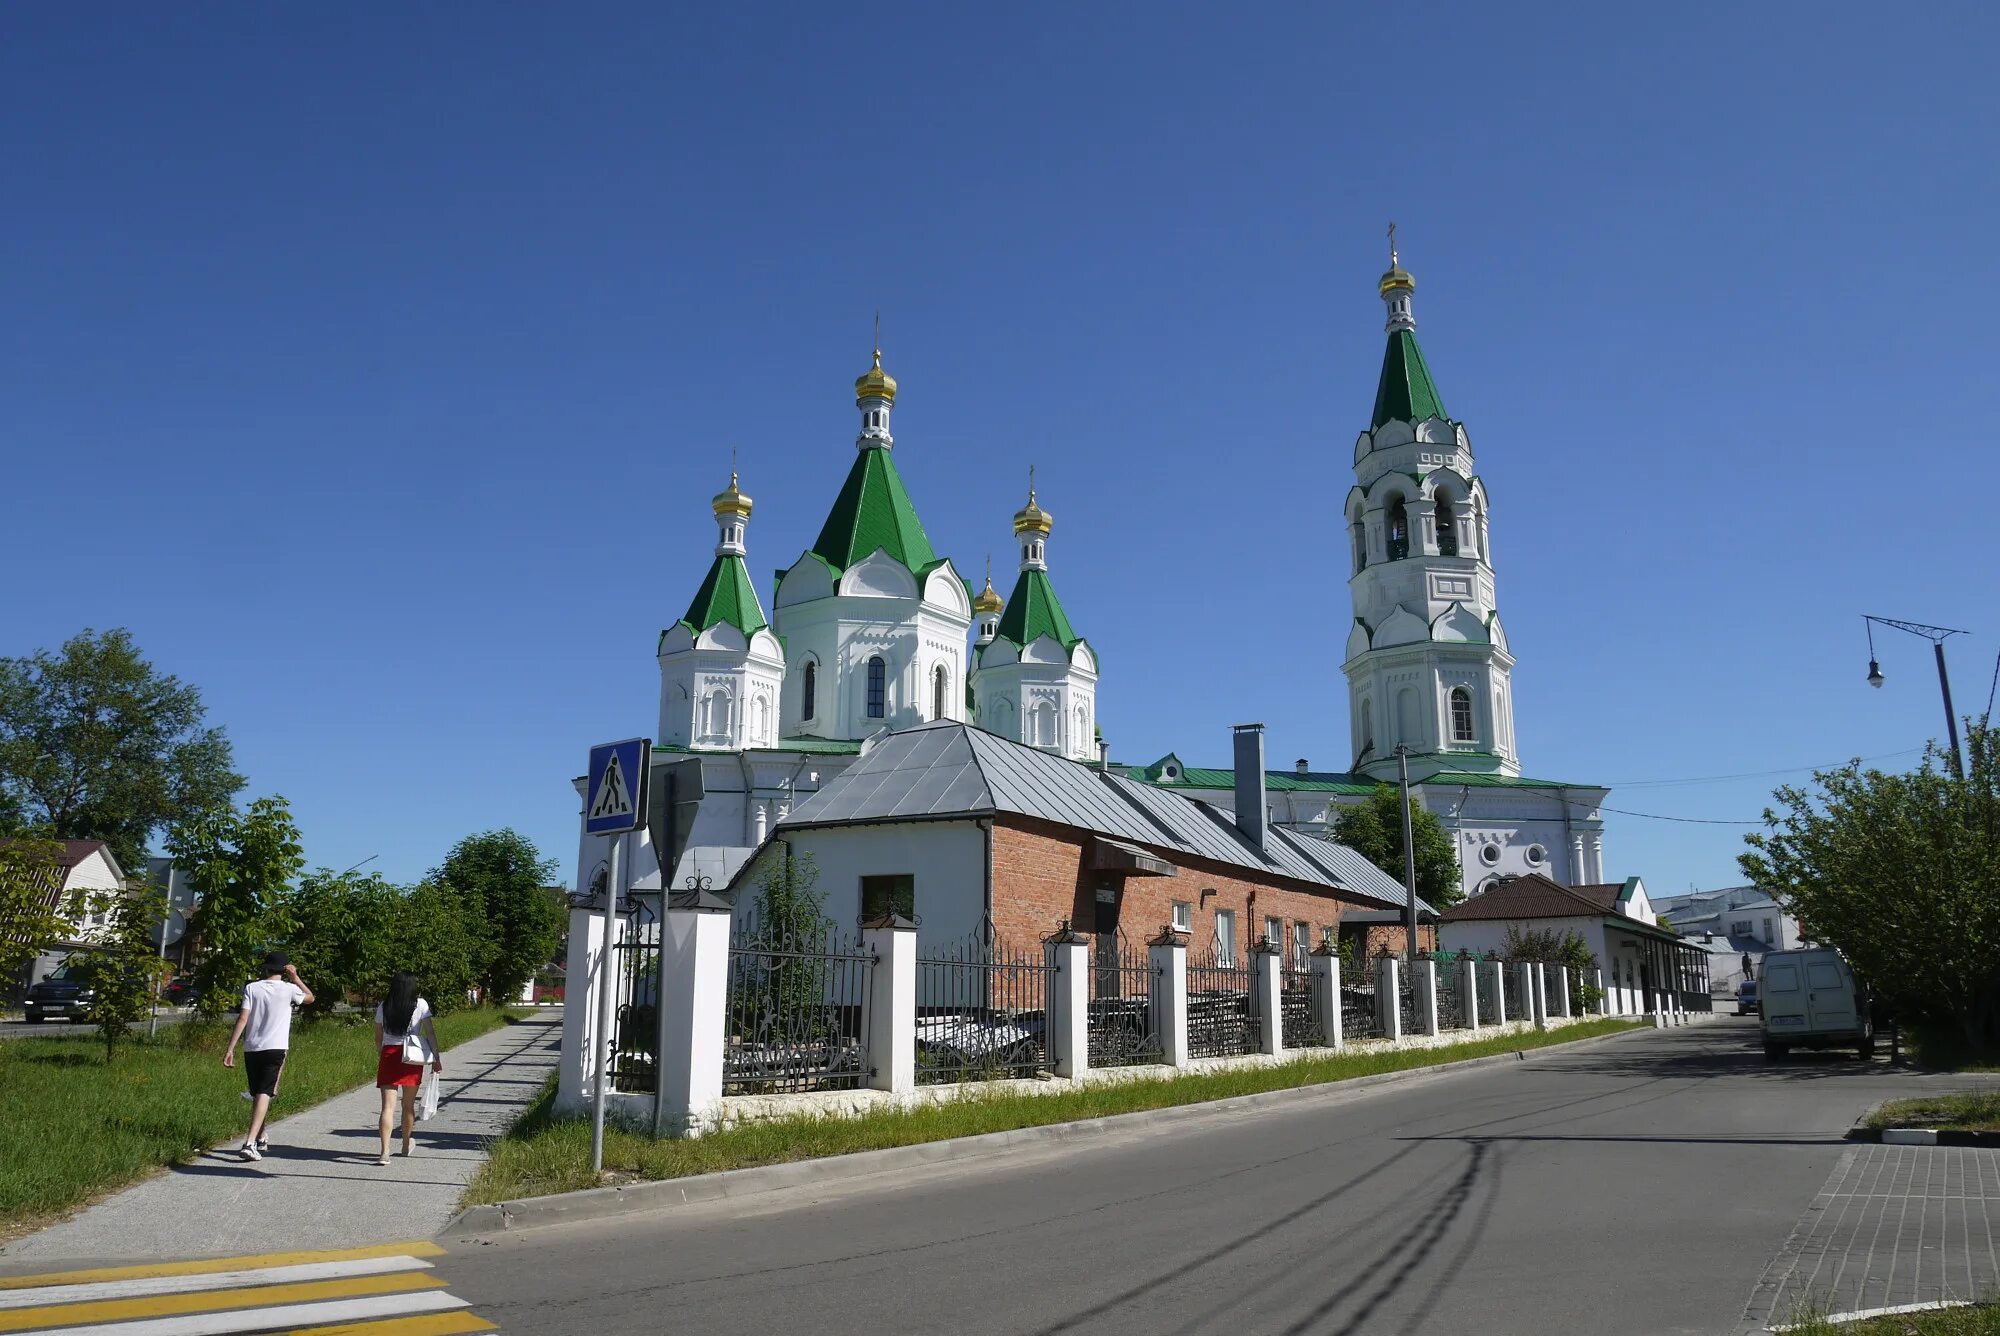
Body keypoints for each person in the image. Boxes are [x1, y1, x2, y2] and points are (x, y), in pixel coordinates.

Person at [222, 952, 314, 1161]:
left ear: (265, 969)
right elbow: (310, 998)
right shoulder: (290, 989)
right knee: (265, 1092)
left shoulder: (252, 988)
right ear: (285, 970)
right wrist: (296, 977)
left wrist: (230, 1048)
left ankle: (261, 1136)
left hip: (252, 1047)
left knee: (258, 1093)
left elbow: (243, 1018)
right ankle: (249, 1142)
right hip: (276, 1047)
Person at [374, 971, 443, 1166]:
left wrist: (383, 1054)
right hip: (412, 1057)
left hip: (389, 1055)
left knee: (387, 1107)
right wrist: (436, 1058)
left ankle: (384, 1153)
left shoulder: (384, 1005)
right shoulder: (421, 1004)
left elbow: (378, 1037)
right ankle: (405, 1145)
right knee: (408, 1105)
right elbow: (430, 1033)